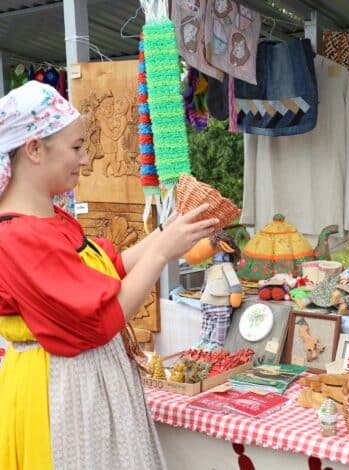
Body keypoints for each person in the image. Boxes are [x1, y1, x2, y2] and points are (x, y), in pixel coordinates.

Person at [0, 81, 218, 469]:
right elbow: (101, 317)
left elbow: (106, 269)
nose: (85, 159)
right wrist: (161, 253)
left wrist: (165, 235)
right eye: (76, 147)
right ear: (34, 149)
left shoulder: (50, 219)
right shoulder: (16, 237)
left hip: (87, 385)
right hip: (61, 394)